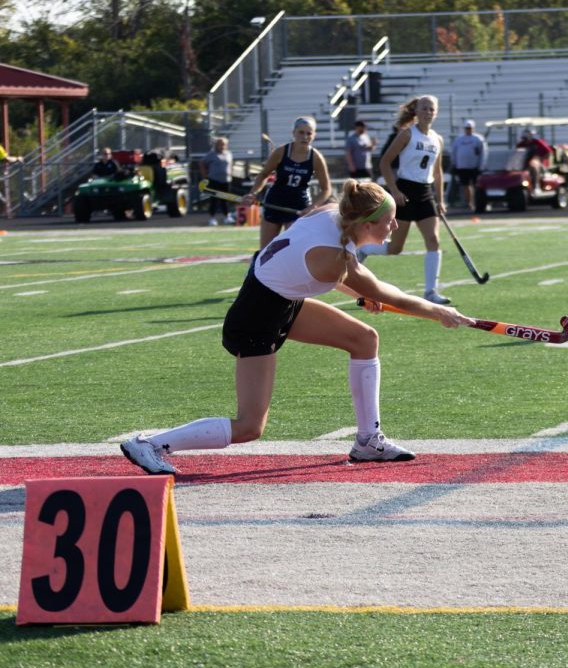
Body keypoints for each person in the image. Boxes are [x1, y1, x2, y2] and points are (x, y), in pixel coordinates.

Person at [119, 180, 474, 475]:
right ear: (366, 224)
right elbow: (384, 292)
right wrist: (440, 312)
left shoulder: (332, 214)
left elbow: (324, 268)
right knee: (249, 427)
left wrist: (358, 292)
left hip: (280, 300)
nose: (395, 227)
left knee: (363, 339)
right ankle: (151, 444)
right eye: (390, 221)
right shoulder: (335, 260)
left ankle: (369, 442)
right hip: (256, 316)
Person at [359, 95, 451, 304]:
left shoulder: (437, 139)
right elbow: (384, 163)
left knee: (434, 240)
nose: (428, 112)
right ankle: (364, 248)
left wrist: (441, 200)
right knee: (395, 248)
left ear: (436, 112)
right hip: (405, 190)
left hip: (426, 191)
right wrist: (394, 190)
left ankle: (431, 291)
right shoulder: (407, 134)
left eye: (432, 109)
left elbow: (437, 172)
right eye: (424, 109)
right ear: (416, 111)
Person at [242, 116, 332, 249]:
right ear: (294, 133)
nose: (305, 136)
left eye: (309, 133)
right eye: (301, 132)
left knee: (292, 249)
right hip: (275, 202)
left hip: (298, 207)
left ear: (314, 135)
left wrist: (312, 207)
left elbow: (326, 189)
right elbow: (264, 174)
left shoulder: (316, 157)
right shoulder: (281, 152)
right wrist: (253, 193)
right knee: (266, 251)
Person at [450, 119, 486, 210]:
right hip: (462, 167)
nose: (468, 130)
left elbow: (483, 153)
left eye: (470, 128)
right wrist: (454, 163)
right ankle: (469, 203)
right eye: (467, 128)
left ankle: (478, 203)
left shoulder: (478, 139)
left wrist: (481, 165)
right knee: (466, 185)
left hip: (474, 167)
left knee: (476, 186)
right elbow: (454, 152)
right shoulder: (459, 139)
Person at [200, 136, 236, 225]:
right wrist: (205, 175)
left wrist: (230, 173)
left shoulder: (228, 154)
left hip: (226, 180)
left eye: (224, 144)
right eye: (220, 144)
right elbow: (202, 162)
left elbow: (230, 164)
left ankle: (226, 217)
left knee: (225, 199)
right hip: (214, 180)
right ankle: (212, 218)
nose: (222, 146)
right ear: (216, 145)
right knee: (214, 200)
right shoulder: (211, 154)